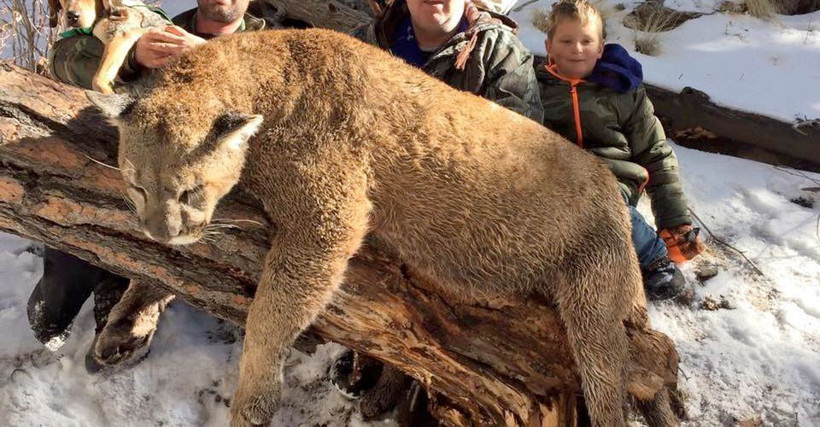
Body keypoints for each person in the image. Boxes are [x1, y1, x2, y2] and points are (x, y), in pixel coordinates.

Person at [36, 0, 278, 368]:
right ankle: (61, 301)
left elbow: (284, 103)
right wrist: (132, 56)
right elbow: (62, 57)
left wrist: (215, 58)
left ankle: (133, 306)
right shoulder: (156, 27)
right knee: (60, 289)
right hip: (138, 180)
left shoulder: (270, 45)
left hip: (209, 194)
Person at [332, 0, 543, 419]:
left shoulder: (498, 53)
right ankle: (375, 342)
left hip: (464, 216)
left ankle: (429, 361)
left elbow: (519, 154)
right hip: (376, 207)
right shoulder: (364, 44)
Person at [535, 0, 705, 300]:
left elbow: (655, 152)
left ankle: (654, 260)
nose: (577, 49)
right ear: (549, 46)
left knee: (602, 204)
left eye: (586, 41)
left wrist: (674, 221)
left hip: (613, 179)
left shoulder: (623, 90)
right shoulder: (536, 88)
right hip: (557, 180)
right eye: (566, 41)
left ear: (601, 47)